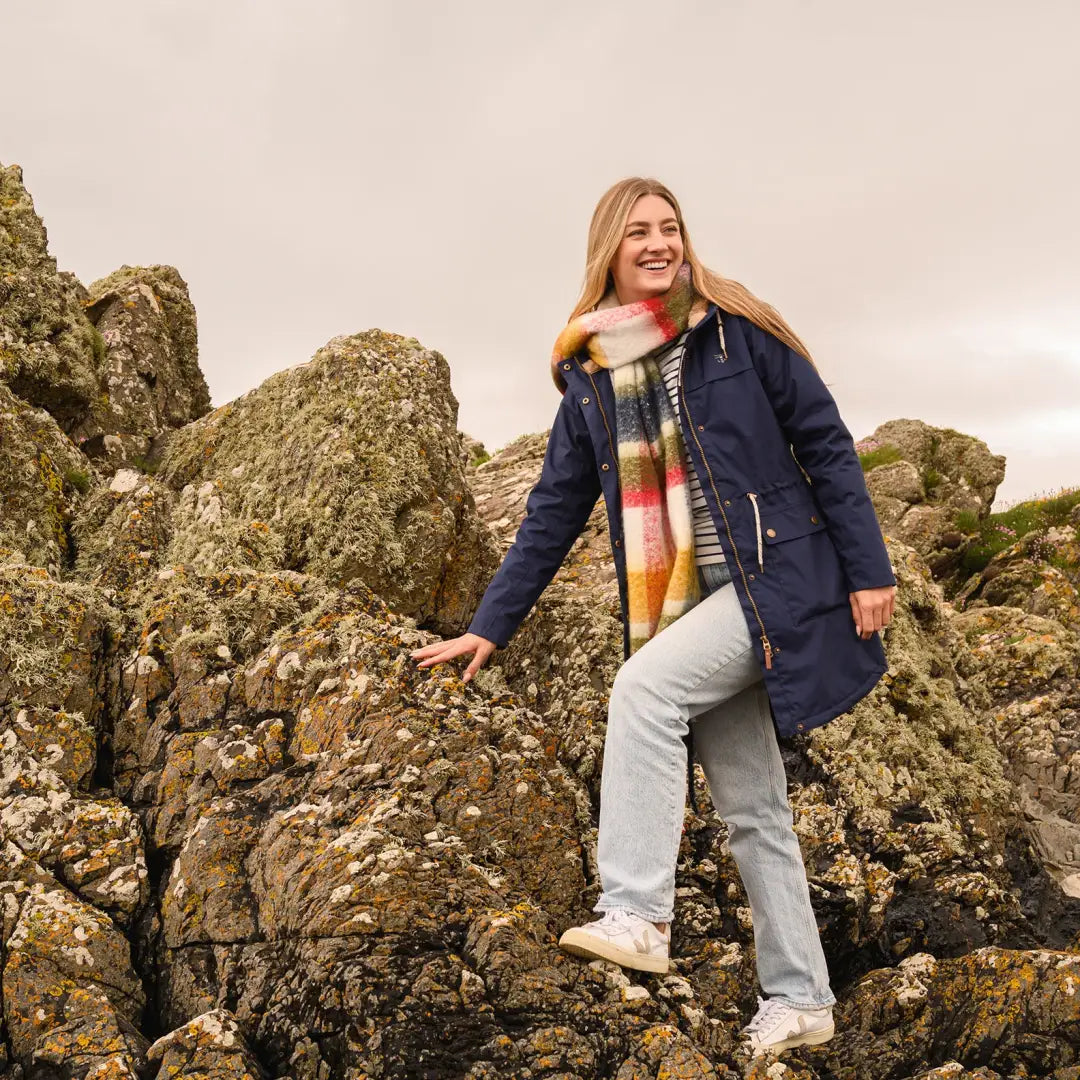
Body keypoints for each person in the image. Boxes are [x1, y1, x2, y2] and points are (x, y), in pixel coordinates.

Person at [409, 177, 896, 1057]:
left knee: (643, 691)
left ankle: (636, 911)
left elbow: (824, 440)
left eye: (671, 227)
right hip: (686, 597)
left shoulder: (736, 330)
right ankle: (803, 998)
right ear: (610, 249)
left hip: (776, 578)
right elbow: (553, 511)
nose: (660, 242)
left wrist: (869, 570)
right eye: (640, 231)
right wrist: (491, 625)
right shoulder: (592, 374)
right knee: (755, 810)